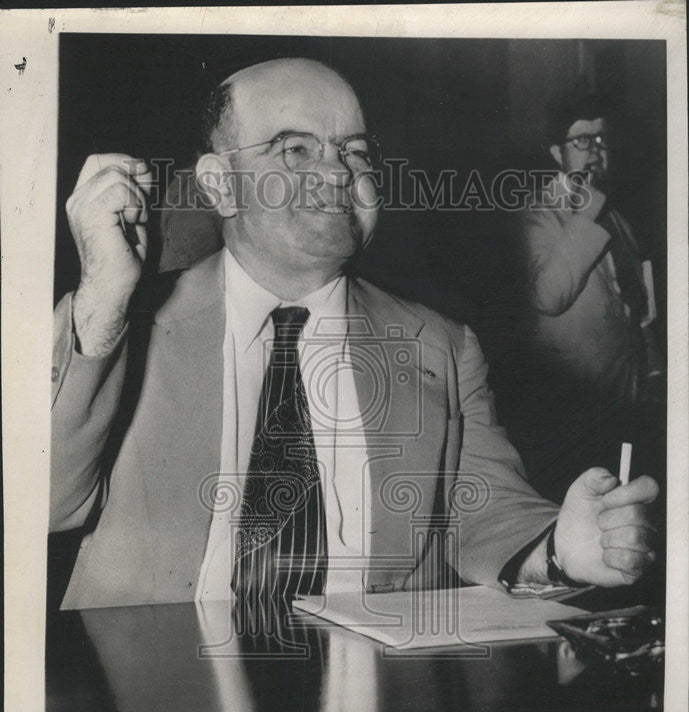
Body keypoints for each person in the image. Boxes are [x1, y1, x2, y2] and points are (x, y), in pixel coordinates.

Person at [50, 59, 657, 610]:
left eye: (357, 152)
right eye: (295, 149)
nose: (338, 173)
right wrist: (101, 300)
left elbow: (484, 512)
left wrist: (559, 551)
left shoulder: (441, 345)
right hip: (155, 700)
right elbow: (41, 506)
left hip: (376, 699)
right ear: (220, 184)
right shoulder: (117, 326)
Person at [495, 90, 663, 504]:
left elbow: (639, 306)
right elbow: (548, 296)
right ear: (557, 153)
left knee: (625, 504)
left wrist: (655, 374)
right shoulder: (537, 213)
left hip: (627, 396)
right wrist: (586, 214)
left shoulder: (619, 217)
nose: (595, 151)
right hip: (572, 405)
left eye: (602, 141)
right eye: (582, 141)